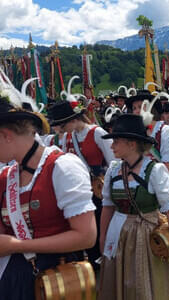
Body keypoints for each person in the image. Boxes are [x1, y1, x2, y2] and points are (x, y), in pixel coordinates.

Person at [0, 96, 97, 300]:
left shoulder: (62, 167)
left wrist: (18, 246)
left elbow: (86, 236)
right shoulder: (6, 176)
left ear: (6, 135)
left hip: (57, 280)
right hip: (12, 279)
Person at [97, 114, 169, 300]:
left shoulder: (154, 170)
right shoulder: (114, 170)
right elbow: (107, 206)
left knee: (147, 281)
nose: (112, 146)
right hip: (118, 233)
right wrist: (103, 237)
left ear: (131, 144)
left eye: (116, 141)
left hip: (147, 234)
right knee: (120, 279)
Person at [48, 100, 114, 268]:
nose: (60, 130)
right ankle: (92, 261)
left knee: (100, 225)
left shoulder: (97, 133)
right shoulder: (69, 137)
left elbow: (114, 162)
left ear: (72, 120)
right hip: (79, 188)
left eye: (62, 125)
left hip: (99, 188)